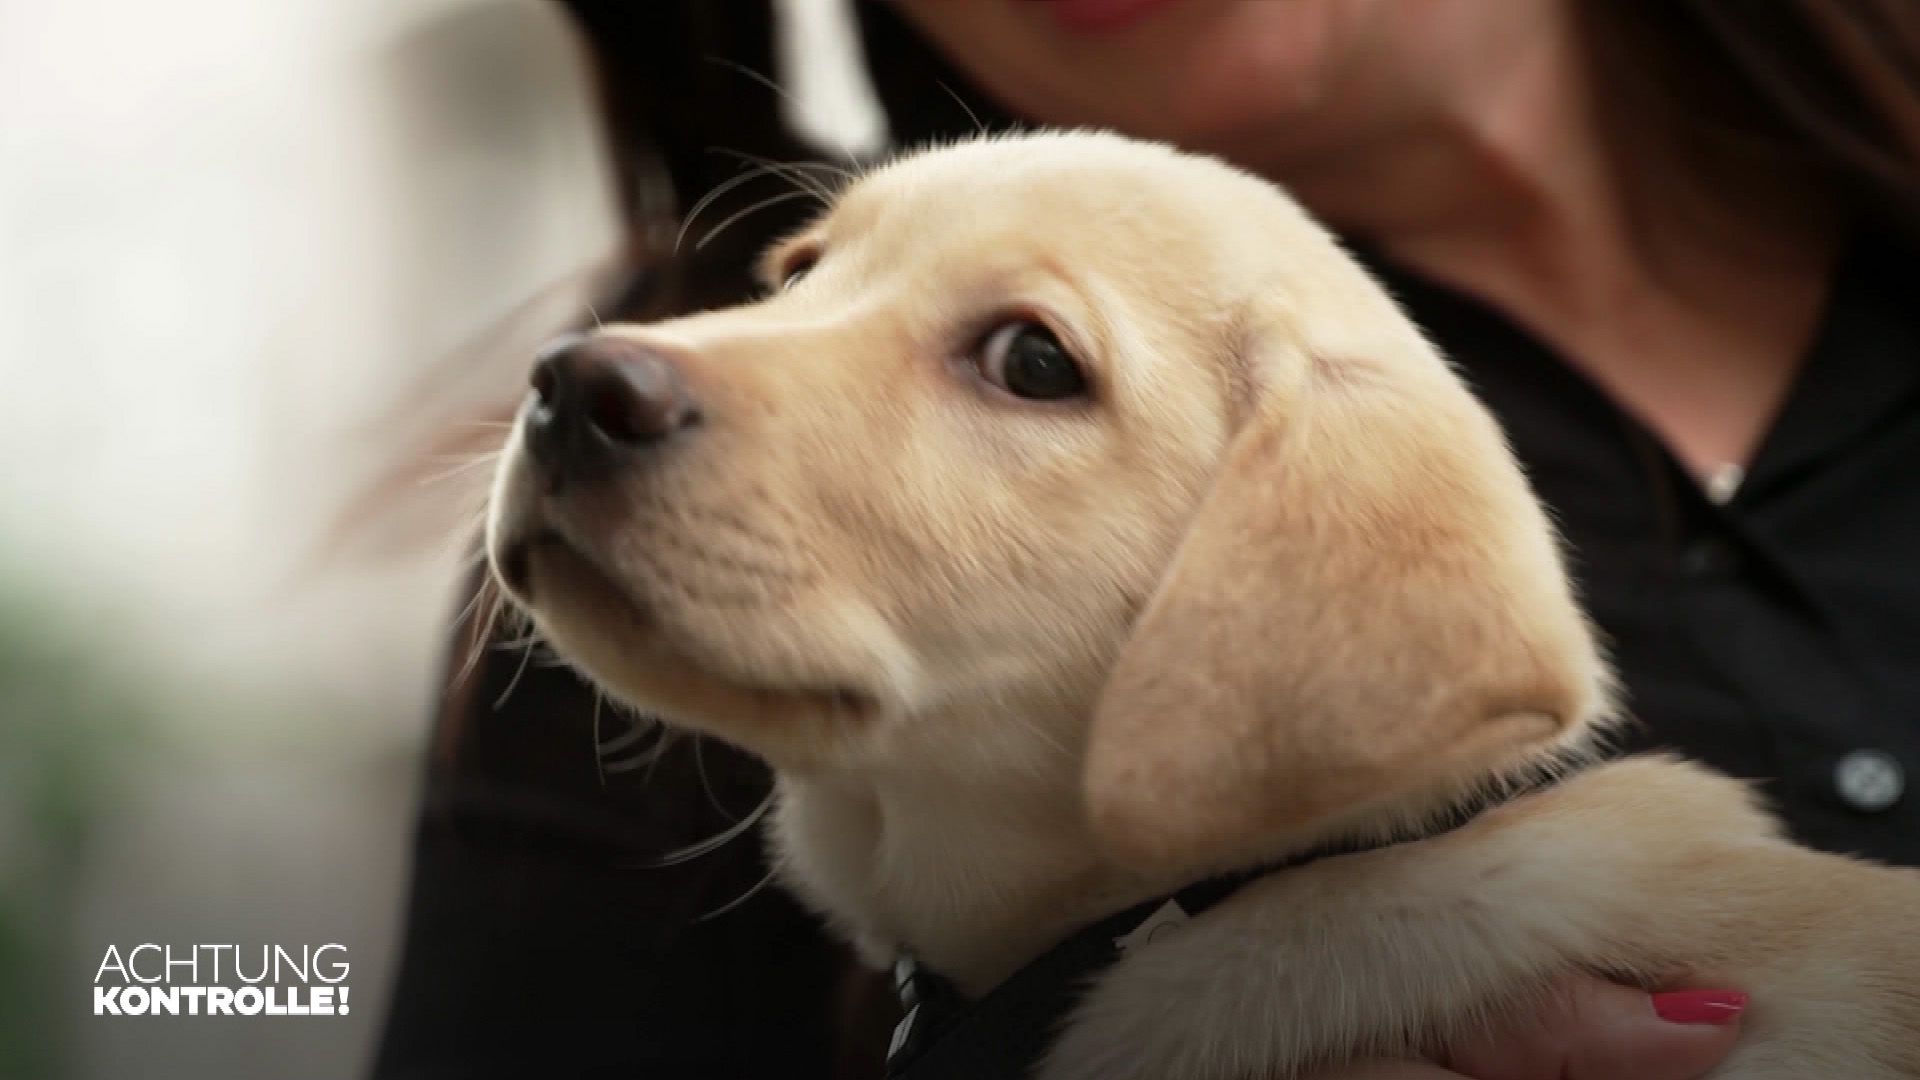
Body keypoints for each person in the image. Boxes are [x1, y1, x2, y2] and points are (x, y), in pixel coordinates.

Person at [371, 2, 1920, 1078]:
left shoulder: (1309, 390)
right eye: (802, 276)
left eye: (1030, 358)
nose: (694, 352)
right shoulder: (672, 455)